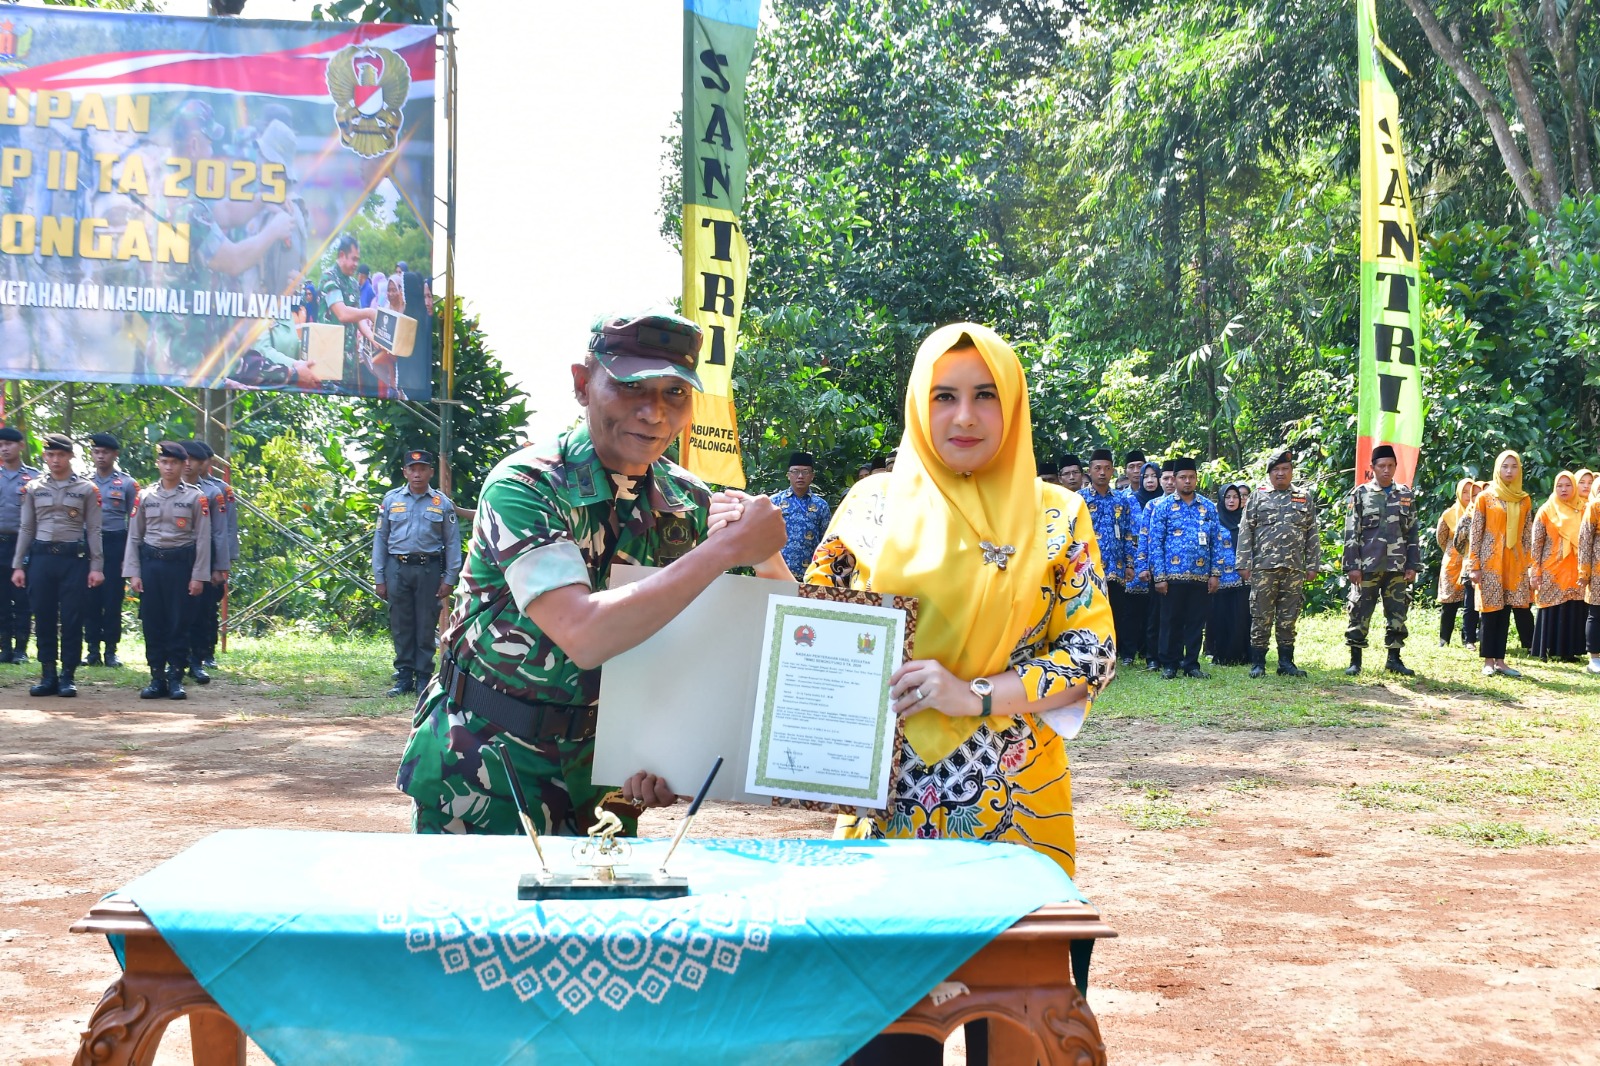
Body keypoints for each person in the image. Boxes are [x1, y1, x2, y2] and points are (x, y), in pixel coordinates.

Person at [795, 324, 1115, 1064]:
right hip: (885, 809)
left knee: (1015, 1033)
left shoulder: (1058, 513)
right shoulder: (868, 507)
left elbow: (1092, 652)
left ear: (1013, 408)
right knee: (885, 1037)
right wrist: (757, 559)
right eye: (944, 396)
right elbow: (809, 634)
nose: (964, 417)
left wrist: (972, 694)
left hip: (1012, 814)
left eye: (984, 396)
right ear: (918, 404)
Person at [396, 311, 788, 836]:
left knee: (606, 918)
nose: (653, 413)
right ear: (583, 385)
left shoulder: (687, 502)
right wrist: (723, 552)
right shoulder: (525, 485)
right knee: (483, 920)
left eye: (675, 393)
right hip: (487, 767)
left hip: (609, 778)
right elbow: (582, 632)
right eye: (631, 387)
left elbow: (703, 647)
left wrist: (674, 753)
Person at [13, 434, 103, 697]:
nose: (55, 460)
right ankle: (48, 673)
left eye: (60, 455)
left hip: (73, 560)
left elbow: (95, 529)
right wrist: (18, 565)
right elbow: (27, 526)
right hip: (41, 559)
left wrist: (96, 566)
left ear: (70, 457)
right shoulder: (33, 487)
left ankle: (68, 676)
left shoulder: (87, 489)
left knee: (73, 617)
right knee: (43, 615)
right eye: (50, 455)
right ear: (44, 456)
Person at [125, 442, 212, 700]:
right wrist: (134, 572)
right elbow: (134, 536)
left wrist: (199, 576)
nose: (169, 467)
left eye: (174, 462)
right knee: (153, 622)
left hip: (181, 566)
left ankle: (176, 677)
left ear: (184, 465)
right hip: (152, 565)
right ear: (158, 463)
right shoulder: (145, 496)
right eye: (164, 462)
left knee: (179, 621)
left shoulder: (196, 497)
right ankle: (156, 677)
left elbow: (204, 539)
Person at [373, 449, 462, 697]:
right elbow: (380, 540)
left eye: (422, 468)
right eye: (412, 469)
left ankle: (423, 677)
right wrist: (379, 578)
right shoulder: (391, 501)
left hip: (429, 569)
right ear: (405, 472)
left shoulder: (442, 503)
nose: (417, 474)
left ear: (431, 472)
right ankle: (403, 678)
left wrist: (450, 578)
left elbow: (453, 542)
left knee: (425, 624)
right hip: (397, 568)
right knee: (401, 624)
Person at [1237, 449, 1319, 677]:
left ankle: (1286, 662)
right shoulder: (1258, 496)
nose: (1281, 474)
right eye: (1276, 470)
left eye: (1285, 469)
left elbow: (1312, 532)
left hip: (1293, 568)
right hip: (1264, 568)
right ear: (1270, 473)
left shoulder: (1303, 497)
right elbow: (1246, 531)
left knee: (1288, 616)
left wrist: (1313, 564)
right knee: (1261, 616)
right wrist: (1244, 563)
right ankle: (1258, 663)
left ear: (1292, 472)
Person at [1342, 444, 1420, 676]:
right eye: (1382, 466)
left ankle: (1394, 659)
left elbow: (1412, 532)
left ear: (1396, 467)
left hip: (1397, 566)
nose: (1386, 470)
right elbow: (1351, 533)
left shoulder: (1405, 495)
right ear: (1372, 468)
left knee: (1397, 612)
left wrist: (1413, 564)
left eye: (1390, 466)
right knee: (1359, 611)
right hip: (1367, 566)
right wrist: (1352, 566)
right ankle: (1355, 661)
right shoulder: (1361, 494)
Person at [1147, 458, 1220, 679]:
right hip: (1171, 576)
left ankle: (1191, 664)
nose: (1187, 481)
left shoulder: (1208, 507)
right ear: (1175, 479)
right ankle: (1170, 664)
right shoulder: (1163, 507)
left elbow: (1216, 542)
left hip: (1200, 576)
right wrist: (1159, 577)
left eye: (1191, 477)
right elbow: (1155, 543)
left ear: (1197, 479)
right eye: (1182, 477)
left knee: (1196, 622)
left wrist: (1215, 574)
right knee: (1171, 621)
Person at [1466, 450, 1534, 678]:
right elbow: (1476, 533)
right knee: (1489, 610)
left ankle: (1501, 661)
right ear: (1497, 468)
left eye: (1514, 467)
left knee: (1505, 610)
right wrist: (1473, 565)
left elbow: (1527, 535)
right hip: (1489, 562)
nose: (1509, 471)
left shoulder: (1524, 499)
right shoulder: (1486, 497)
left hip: (1514, 564)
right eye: (1505, 466)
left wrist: (1528, 566)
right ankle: (1488, 661)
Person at [182, 441, 233, 683]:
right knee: (173, 612)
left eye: (194, 459)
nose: (188, 464)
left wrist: (221, 565)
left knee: (202, 612)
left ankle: (198, 659)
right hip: (171, 557)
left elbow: (222, 532)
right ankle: (174, 661)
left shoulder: (214, 492)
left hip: (204, 556)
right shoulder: (156, 492)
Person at [86, 433, 137, 667]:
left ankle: (111, 651)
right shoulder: (84, 482)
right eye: (96, 452)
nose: (100, 456)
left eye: (105, 452)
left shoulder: (127, 484)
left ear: (115, 454)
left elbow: (134, 520)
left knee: (113, 599)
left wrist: (130, 556)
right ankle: (92, 650)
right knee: (90, 599)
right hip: (89, 544)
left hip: (116, 542)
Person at [1083, 448, 1137, 665]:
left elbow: (1127, 534)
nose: (1102, 473)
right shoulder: (1079, 499)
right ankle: (1091, 653)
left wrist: (1130, 563)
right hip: (1088, 567)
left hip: (1116, 567)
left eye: (1107, 468)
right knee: (1090, 611)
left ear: (1113, 471)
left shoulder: (1122, 500)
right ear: (1090, 471)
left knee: (1116, 612)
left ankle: (1117, 653)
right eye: (1097, 469)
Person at [1530, 471, 1586, 661]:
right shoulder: (1546, 510)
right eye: (1560, 486)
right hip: (1552, 568)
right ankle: (1545, 650)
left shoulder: (1583, 509)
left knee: (1573, 607)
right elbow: (1536, 544)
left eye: (1568, 485)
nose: (1564, 489)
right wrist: (1535, 570)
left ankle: (1569, 652)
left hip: (1575, 568)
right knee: (1552, 606)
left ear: (1574, 487)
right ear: (1554, 487)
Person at [0, 426, 40, 664]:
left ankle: (21, 649)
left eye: (9, 444)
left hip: (22, 544)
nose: (4, 449)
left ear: (21, 446)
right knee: (1, 599)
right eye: (1, 445)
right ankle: (4, 647)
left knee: (22, 597)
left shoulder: (34, 478)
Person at [319, 234, 380, 388]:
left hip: (349, 362)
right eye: (353, 259)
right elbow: (343, 313)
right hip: (329, 360)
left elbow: (358, 319)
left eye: (357, 260)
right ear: (341, 255)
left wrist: (373, 338)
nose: (356, 264)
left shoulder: (353, 283)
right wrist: (369, 313)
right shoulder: (329, 278)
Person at [1205, 483, 1250, 666]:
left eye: (1235, 497)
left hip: (1243, 579)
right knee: (1221, 617)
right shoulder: (1214, 521)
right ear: (1222, 500)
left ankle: (1244, 655)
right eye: (1228, 497)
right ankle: (1221, 654)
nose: (1232, 501)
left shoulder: (1246, 521)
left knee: (1242, 617)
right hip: (1221, 578)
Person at [1125, 460, 1163, 668]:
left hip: (1157, 564)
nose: (1150, 481)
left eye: (1153, 476)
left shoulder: (1165, 502)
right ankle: (1129, 651)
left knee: (1154, 611)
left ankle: (1151, 652)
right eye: (1146, 476)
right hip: (1134, 559)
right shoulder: (1131, 500)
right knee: (1132, 610)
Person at [771, 451, 831, 580]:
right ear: (788, 475)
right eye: (795, 471)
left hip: (809, 574)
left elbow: (825, 543)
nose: (800, 476)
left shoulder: (821, 506)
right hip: (777, 572)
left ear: (812, 476)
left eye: (805, 472)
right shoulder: (775, 502)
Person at [1435, 478, 1479, 648]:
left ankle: (1468, 638)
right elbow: (1441, 538)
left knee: (1470, 603)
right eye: (1465, 492)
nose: (1468, 496)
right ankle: (1444, 638)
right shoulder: (1448, 514)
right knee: (1449, 602)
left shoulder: (1479, 512)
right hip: (1452, 562)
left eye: (1472, 492)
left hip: (1470, 562)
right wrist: (1452, 552)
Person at [1577, 479, 1600, 673]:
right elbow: (1585, 540)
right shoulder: (1595, 505)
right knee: (1596, 612)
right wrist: (1584, 571)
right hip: (1598, 569)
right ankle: (1594, 658)